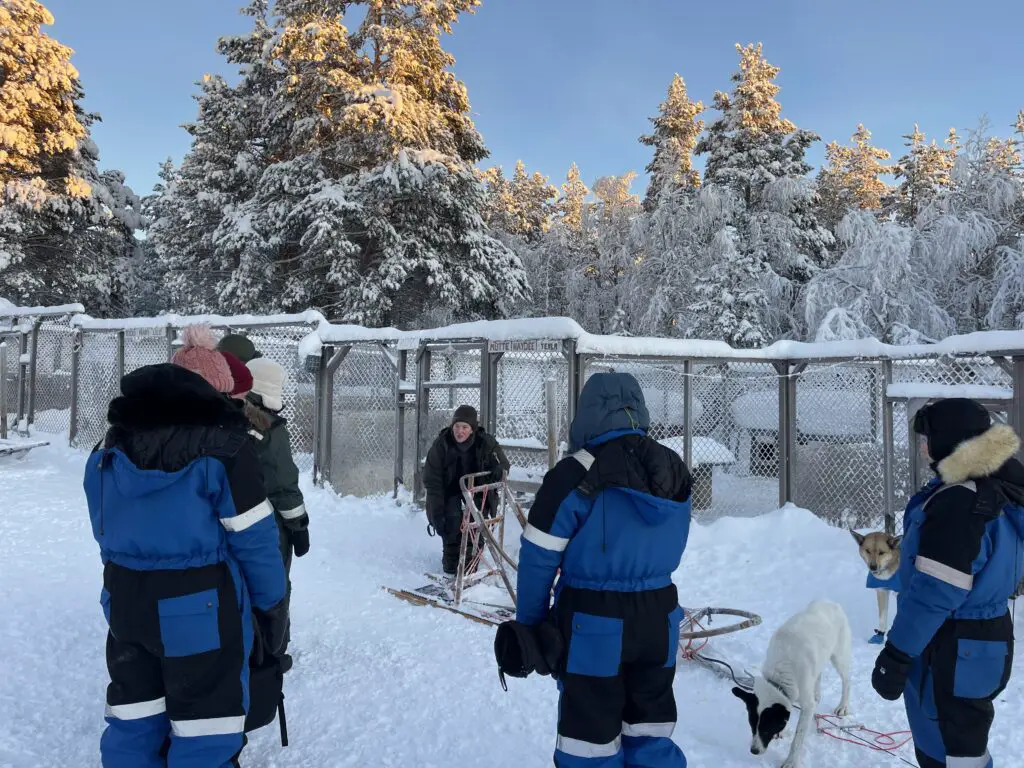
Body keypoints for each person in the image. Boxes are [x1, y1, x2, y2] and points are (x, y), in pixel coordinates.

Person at [83, 359, 289, 768]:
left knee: (134, 716)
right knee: (205, 725)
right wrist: (271, 608)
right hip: (201, 610)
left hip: (126, 604)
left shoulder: (106, 449)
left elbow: (102, 527)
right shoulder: (226, 450)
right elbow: (257, 542)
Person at [514, 372, 692, 767]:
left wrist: (530, 624)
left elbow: (538, 555)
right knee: (650, 731)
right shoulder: (671, 466)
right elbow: (676, 539)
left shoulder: (572, 474)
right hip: (660, 619)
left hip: (593, 623)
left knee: (590, 740)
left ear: (587, 413)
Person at [872, 398, 1023, 768]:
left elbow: (936, 592)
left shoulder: (961, 500)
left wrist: (898, 653)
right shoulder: (993, 485)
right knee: (961, 747)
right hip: (982, 638)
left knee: (949, 749)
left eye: (928, 438)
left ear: (951, 440)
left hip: (953, 642)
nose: (923, 446)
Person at [242, 355, 310, 656]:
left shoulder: (229, 416)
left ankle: (244, 642)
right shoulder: (269, 427)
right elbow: (282, 482)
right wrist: (299, 524)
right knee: (275, 585)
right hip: (269, 523)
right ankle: (273, 647)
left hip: (234, 521)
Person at [423, 404, 510, 575]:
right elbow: (432, 480)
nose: (459, 431)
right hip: (450, 489)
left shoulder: (485, 442)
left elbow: (504, 465)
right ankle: (451, 561)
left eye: (465, 427)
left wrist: (497, 471)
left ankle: (471, 562)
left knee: (476, 522)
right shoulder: (442, 444)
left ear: (472, 429)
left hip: (477, 490)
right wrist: (436, 512)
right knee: (450, 521)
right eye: (456, 426)